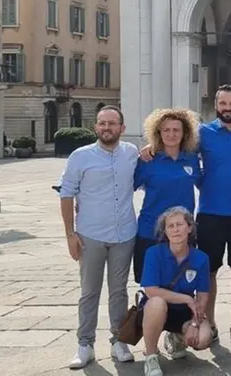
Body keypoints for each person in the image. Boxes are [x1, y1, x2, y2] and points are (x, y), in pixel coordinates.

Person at [138, 85, 231, 346]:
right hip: (208, 215)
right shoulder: (201, 134)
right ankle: (210, 322)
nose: (228, 108)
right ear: (216, 105)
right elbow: (176, 146)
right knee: (208, 272)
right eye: (223, 103)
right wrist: (151, 146)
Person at [59, 105, 139, 368]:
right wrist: (70, 234)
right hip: (90, 234)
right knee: (89, 291)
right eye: (102, 123)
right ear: (96, 127)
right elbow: (66, 194)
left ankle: (119, 341)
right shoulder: (80, 157)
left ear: (122, 128)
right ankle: (85, 344)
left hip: (124, 233)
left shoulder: (132, 153)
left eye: (112, 123)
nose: (107, 128)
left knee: (119, 292)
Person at [140, 207, 213, 376]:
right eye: (170, 226)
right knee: (157, 303)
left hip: (185, 311)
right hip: (156, 308)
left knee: (203, 339)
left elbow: (202, 296)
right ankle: (151, 356)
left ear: (189, 228)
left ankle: (176, 338)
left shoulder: (201, 258)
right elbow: (151, 290)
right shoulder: (153, 253)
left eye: (179, 224)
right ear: (165, 232)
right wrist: (185, 298)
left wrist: (195, 324)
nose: (175, 229)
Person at [133, 108, 202, 284]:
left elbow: (205, 183)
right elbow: (125, 188)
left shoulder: (192, 159)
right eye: (166, 130)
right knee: (150, 288)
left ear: (184, 133)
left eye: (176, 130)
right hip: (150, 232)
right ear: (158, 133)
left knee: (183, 286)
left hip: (182, 234)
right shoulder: (147, 160)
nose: (171, 134)